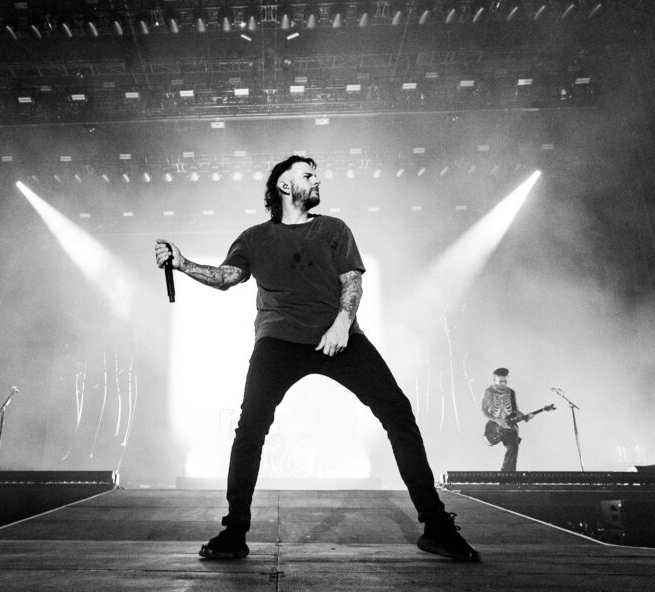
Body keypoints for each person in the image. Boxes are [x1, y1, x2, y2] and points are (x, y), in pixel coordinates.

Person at [154, 155, 480, 562]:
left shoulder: (333, 229)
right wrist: (182, 263)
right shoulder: (255, 238)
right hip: (278, 340)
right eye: (307, 175)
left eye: (316, 174)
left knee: (397, 413)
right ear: (284, 186)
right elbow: (226, 277)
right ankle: (234, 531)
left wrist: (343, 324)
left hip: (338, 337)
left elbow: (352, 282)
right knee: (250, 427)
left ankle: (436, 527)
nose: (317, 180)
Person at [482, 367, 533, 472]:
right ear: (494, 379)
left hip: (509, 427)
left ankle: (507, 472)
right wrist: (496, 420)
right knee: (513, 445)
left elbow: (515, 410)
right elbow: (484, 410)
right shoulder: (489, 392)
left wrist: (525, 416)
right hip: (495, 427)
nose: (503, 384)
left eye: (505, 381)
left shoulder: (511, 392)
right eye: (500, 381)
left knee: (514, 446)